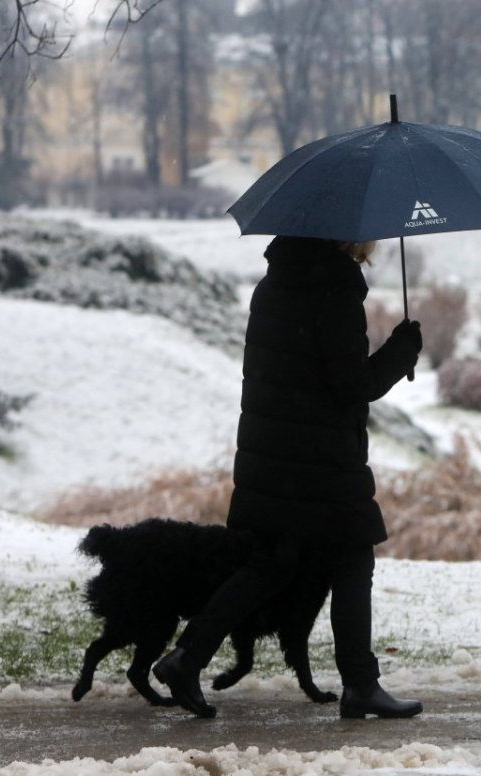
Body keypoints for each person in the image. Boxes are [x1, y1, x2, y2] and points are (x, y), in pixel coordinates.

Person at [153, 235, 423, 720]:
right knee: (353, 558)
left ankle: (186, 657)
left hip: (270, 456)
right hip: (320, 460)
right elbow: (351, 385)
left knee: (271, 563)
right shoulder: (336, 288)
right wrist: (402, 351)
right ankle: (361, 684)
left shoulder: (274, 282)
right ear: (349, 235)